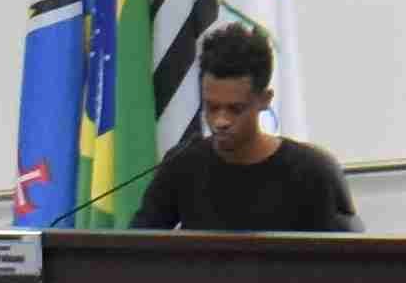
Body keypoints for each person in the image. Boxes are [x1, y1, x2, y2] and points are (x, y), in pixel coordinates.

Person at [133, 23, 357, 230]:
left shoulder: (313, 173)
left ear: (265, 100)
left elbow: (344, 256)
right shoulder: (182, 164)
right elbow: (138, 246)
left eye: (235, 109)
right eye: (212, 107)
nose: (220, 121)